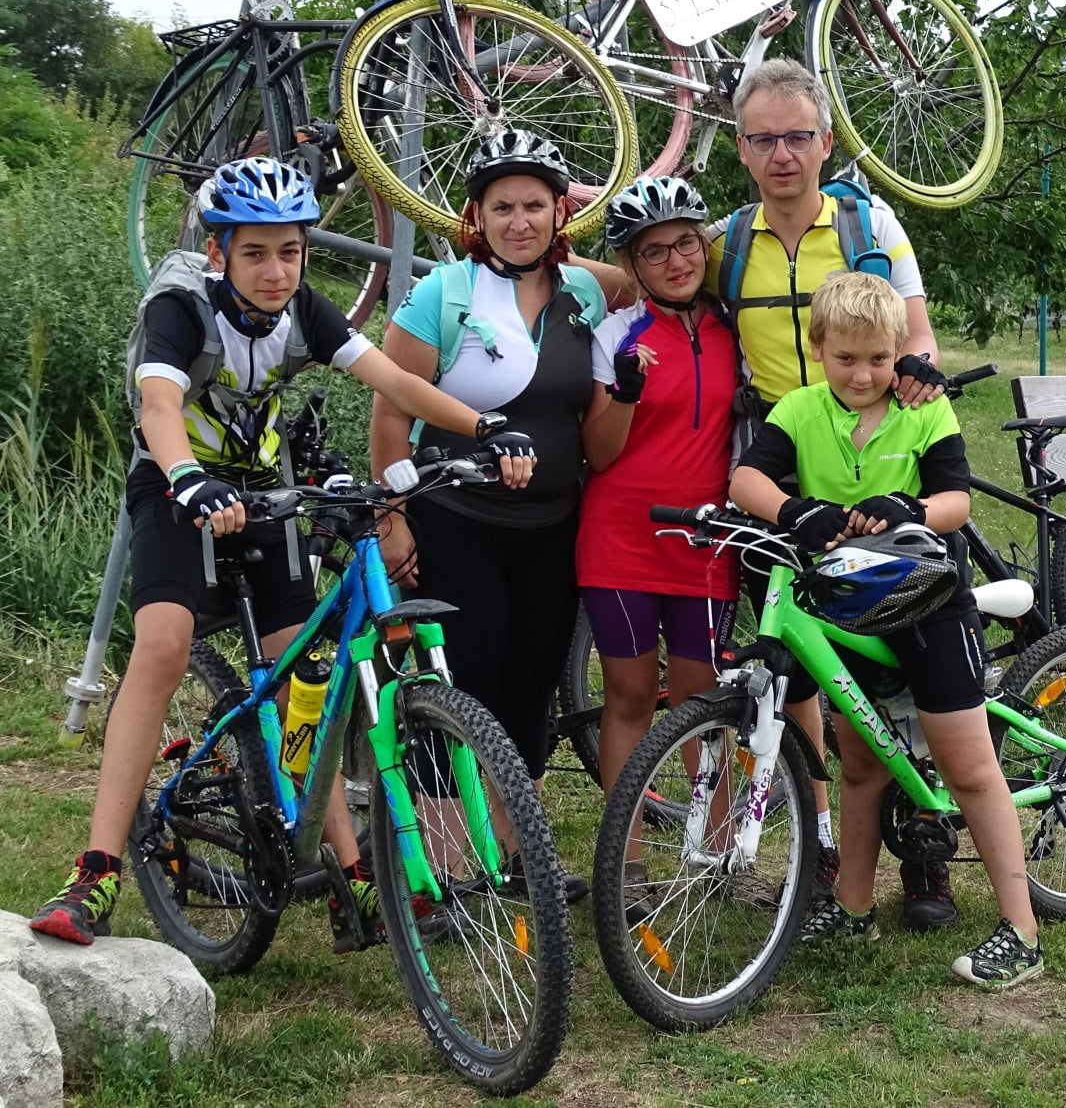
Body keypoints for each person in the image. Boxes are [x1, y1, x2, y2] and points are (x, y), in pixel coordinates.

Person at [31, 157, 533, 951]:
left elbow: (394, 381)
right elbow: (160, 405)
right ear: (219, 251)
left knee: (308, 673)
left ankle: (347, 873)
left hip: (266, 492)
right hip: (176, 486)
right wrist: (190, 478)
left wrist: (482, 428)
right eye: (256, 252)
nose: (276, 271)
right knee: (162, 647)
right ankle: (95, 868)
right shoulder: (180, 308)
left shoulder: (304, 310)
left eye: (291, 251)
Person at [728, 272, 1043, 989]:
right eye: (845, 359)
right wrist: (792, 511)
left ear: (897, 351)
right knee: (862, 762)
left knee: (967, 768)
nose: (862, 373)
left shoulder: (923, 411)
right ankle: (853, 905)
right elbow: (746, 481)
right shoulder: (800, 409)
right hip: (849, 609)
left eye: (876, 358)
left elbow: (956, 502)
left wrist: (910, 508)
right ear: (819, 350)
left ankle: (1021, 929)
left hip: (929, 600)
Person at [709, 56, 953, 930]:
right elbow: (650, 275)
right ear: (740, 149)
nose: (783, 154)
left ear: (827, 142)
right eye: (765, 139)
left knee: (910, 658)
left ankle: (928, 852)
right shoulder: (725, 242)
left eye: (798, 137)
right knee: (805, 661)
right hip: (787, 469)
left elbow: (913, 328)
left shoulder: (864, 220)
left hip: (880, 459)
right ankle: (823, 841)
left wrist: (916, 383)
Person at [370, 130, 608, 902]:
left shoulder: (585, 295)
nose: (519, 221)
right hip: (456, 519)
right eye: (502, 207)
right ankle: (440, 871)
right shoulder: (446, 292)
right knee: (461, 684)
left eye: (535, 205)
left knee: (530, 684)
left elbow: (646, 273)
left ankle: (515, 856)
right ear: (476, 215)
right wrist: (391, 516)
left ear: (559, 211)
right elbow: (390, 408)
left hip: (552, 528)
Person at [577, 177, 740, 831]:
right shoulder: (616, 333)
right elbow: (601, 454)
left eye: (686, 244)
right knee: (631, 695)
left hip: (704, 541)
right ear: (630, 265)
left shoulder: (733, 331)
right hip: (621, 539)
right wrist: (623, 392)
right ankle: (630, 858)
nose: (676, 262)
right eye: (654, 252)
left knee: (705, 700)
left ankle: (724, 846)